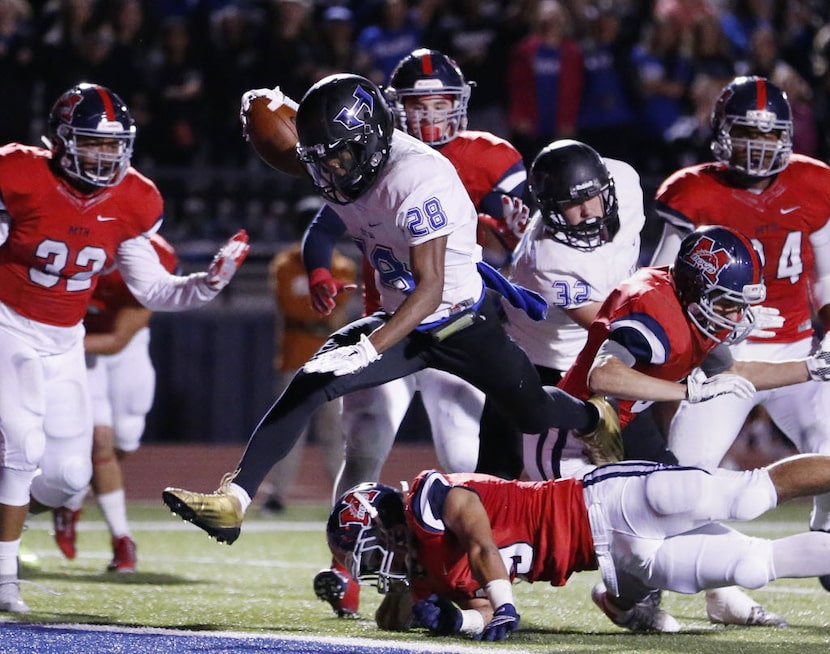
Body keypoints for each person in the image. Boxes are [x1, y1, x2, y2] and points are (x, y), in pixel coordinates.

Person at [162, 73, 620, 556]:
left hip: (456, 321)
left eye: (340, 157)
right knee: (309, 383)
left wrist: (367, 347)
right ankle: (234, 499)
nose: (332, 170)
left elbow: (431, 289)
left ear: (373, 140)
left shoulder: (417, 177)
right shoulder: (339, 156)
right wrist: (267, 108)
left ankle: (592, 417)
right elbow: (302, 138)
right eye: (322, 159)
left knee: (534, 413)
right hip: (399, 317)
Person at [0, 82, 249, 612]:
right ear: (61, 141)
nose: (103, 155)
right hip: (8, 320)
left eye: (112, 146)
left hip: (64, 338)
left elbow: (154, 289)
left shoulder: (135, 198)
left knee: (69, 477)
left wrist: (206, 283)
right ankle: (3, 578)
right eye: (91, 143)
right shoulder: (19, 173)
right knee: (21, 445)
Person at [304, 49, 529, 617]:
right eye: (417, 106)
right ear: (391, 112)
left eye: (440, 105)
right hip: (390, 325)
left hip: (453, 324)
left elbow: (521, 234)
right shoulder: (377, 161)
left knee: (462, 455)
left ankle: (458, 573)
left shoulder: (490, 156)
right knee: (365, 448)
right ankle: (345, 569)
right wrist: (320, 269)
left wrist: (510, 233)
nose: (430, 118)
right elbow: (320, 228)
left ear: (461, 105)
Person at [556, 224, 830, 629]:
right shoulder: (654, 307)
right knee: (667, 542)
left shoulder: (687, 302)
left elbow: (738, 370)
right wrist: (686, 390)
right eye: (727, 305)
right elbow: (603, 376)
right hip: (579, 439)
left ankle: (624, 597)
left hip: (622, 425)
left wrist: (810, 368)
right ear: (696, 288)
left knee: (685, 516)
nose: (738, 317)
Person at [648, 76, 830, 604]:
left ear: (789, 137)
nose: (759, 145)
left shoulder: (814, 183)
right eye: (747, 132)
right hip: (725, 359)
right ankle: (719, 590)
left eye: (770, 136)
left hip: (801, 356)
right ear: (722, 133)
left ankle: (822, 539)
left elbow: (825, 278)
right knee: (683, 483)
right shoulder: (692, 190)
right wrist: (704, 350)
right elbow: (661, 280)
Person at [326, 451, 830, 639]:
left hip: (604, 501)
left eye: (370, 553)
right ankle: (622, 598)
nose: (375, 567)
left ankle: (625, 600)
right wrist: (458, 620)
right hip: (608, 556)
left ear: (389, 523)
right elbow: (467, 607)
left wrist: (503, 604)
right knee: (750, 567)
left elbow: (479, 537)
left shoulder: (425, 500)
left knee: (745, 496)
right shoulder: (424, 576)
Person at [477, 138, 676, 481]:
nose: (587, 211)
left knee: (661, 473)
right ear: (551, 210)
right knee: (498, 477)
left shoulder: (625, 182)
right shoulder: (547, 259)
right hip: (541, 365)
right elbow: (613, 326)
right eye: (572, 205)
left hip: (600, 358)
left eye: (591, 197)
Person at [51, 232, 180, 573]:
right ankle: (122, 539)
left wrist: (51, 343)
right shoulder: (65, 236)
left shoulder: (154, 255)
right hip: (75, 342)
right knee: (100, 442)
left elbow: (117, 341)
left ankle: (72, 497)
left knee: (124, 439)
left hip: (123, 347)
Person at [258, 211, 357, 514]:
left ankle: (346, 496)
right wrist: (322, 311)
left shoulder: (342, 266)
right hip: (295, 357)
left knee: (336, 433)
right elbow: (292, 307)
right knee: (288, 430)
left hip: (332, 360)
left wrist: (320, 311)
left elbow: (333, 311)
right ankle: (277, 494)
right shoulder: (285, 264)